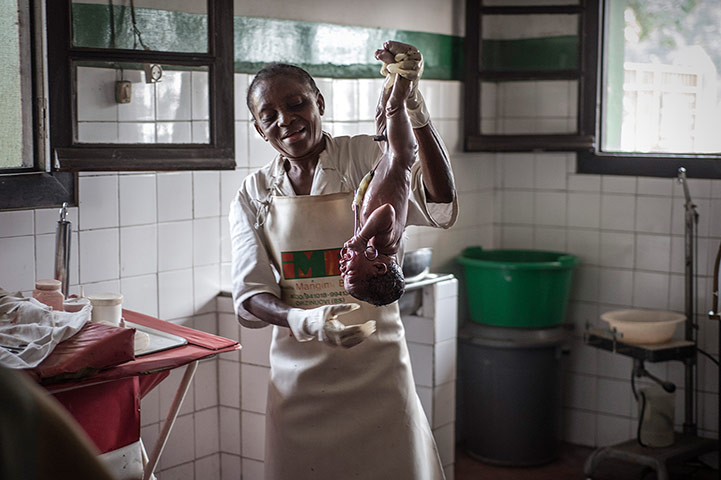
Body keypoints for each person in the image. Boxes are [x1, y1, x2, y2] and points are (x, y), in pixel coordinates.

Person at [229, 40, 458, 480]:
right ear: (260, 130)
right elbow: (250, 295)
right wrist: (305, 322)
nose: (285, 120)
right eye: (269, 116)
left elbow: (440, 199)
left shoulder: (361, 156)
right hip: (300, 383)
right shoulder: (254, 193)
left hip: (379, 371)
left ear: (319, 102)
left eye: (296, 104)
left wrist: (413, 109)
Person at [340, 46, 422, 306]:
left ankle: (390, 70)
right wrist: (361, 239)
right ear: (378, 268)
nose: (342, 267)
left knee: (380, 112)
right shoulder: (386, 242)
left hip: (388, 153)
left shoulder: (375, 242)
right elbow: (386, 211)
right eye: (350, 272)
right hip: (400, 155)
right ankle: (410, 67)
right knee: (394, 109)